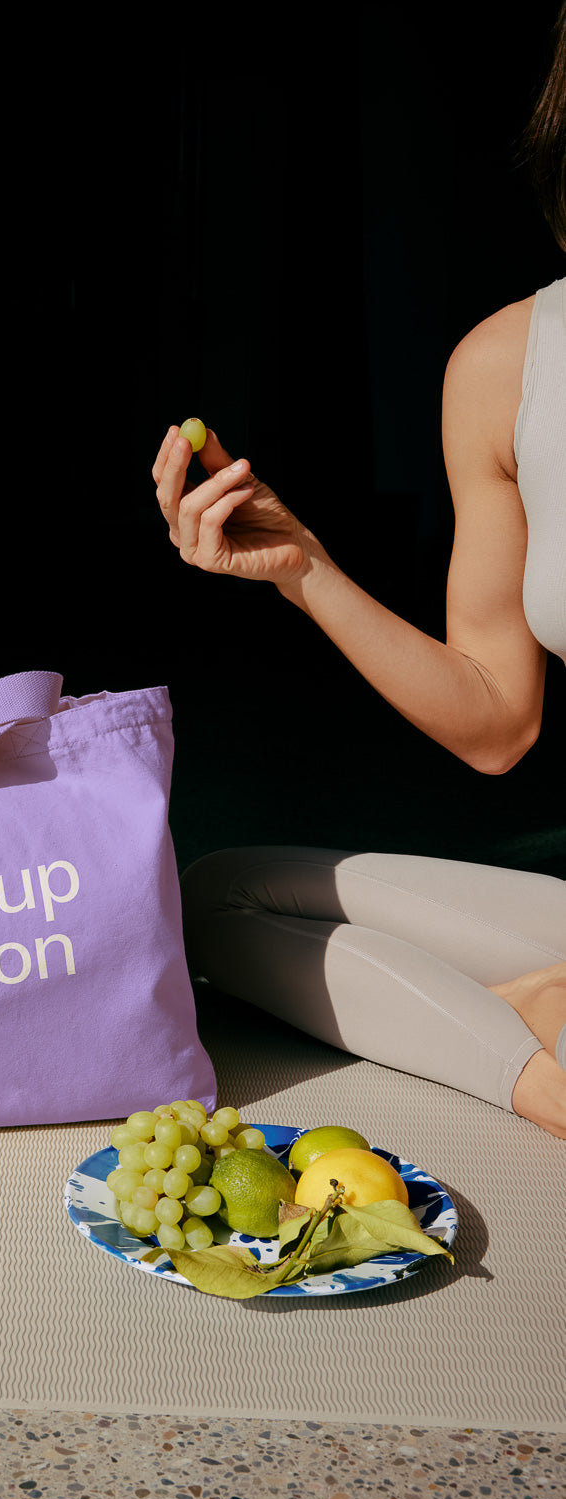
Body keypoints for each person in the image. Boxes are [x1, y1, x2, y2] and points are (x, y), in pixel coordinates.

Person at [152, 7, 566, 1140]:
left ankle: (510, 1046)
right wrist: (303, 570)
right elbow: (494, 722)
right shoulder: (504, 366)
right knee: (216, 896)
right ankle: (537, 1051)